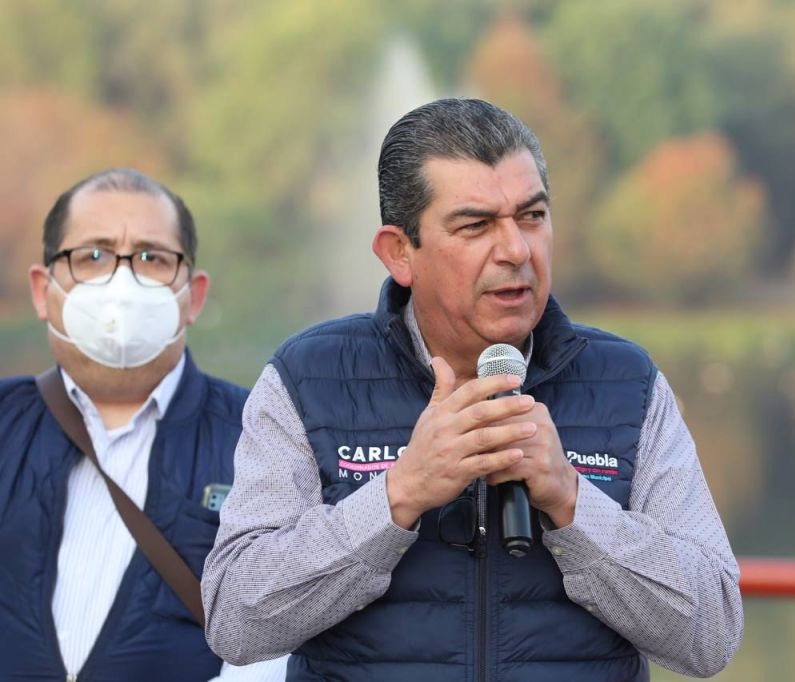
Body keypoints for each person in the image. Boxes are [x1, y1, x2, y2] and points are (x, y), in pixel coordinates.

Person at [203, 99, 743, 681]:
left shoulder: (626, 382)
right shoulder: (310, 377)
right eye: (475, 225)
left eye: (531, 216)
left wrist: (572, 502)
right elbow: (236, 620)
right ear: (399, 253)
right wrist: (399, 494)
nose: (516, 250)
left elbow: (711, 634)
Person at [0, 169, 287, 681]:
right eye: (93, 255)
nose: (122, 283)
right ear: (43, 291)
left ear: (193, 296)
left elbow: (280, 634)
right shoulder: (6, 425)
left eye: (152, 258)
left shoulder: (261, 438)